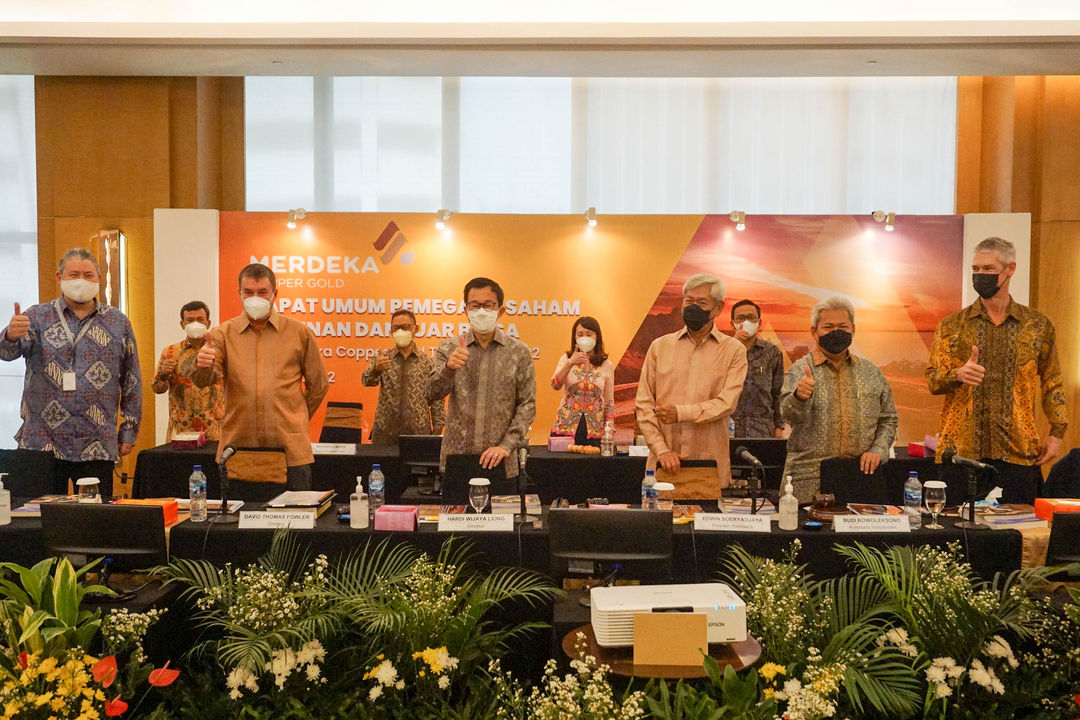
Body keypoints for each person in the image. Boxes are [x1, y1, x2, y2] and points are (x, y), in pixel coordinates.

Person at [925, 237, 1067, 504]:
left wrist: (1056, 432)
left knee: (1017, 536)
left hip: (1018, 450)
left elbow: (1052, 381)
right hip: (961, 453)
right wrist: (957, 375)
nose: (980, 275)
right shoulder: (952, 325)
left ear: (1009, 269)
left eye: (988, 269)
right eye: (975, 269)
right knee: (958, 537)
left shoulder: (1037, 325)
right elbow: (932, 380)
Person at [0, 247, 141, 495]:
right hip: (42, 441)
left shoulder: (118, 322)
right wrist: (10, 335)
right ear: (59, 278)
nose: (81, 281)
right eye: (74, 274)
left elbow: (131, 379)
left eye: (88, 275)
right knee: (38, 519)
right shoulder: (36, 316)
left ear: (99, 278)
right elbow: (6, 353)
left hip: (96, 441)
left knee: (92, 523)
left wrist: (128, 430)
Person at [193, 263, 329, 490]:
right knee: (236, 522)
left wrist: (297, 416)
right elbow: (202, 380)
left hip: (290, 451)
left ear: (275, 294)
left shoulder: (298, 332)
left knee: (292, 523)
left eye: (262, 292)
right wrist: (203, 365)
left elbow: (319, 385)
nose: (255, 298)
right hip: (238, 448)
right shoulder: (221, 334)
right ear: (239, 294)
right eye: (248, 292)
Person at [635, 273, 748, 498]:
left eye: (702, 303)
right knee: (660, 530)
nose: (693, 307)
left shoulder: (734, 351)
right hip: (664, 468)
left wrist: (680, 413)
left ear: (718, 309)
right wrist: (661, 449)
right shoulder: (660, 347)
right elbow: (644, 405)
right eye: (689, 301)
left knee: (708, 531)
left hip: (709, 468)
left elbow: (726, 404)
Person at [780, 296, 898, 502]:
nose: (836, 332)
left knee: (859, 535)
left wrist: (878, 450)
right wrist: (799, 396)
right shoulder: (801, 369)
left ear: (853, 329)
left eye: (842, 326)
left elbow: (889, 418)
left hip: (860, 476)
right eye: (828, 326)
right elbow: (788, 415)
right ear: (814, 332)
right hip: (808, 478)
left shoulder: (871, 372)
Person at [429, 277, 536, 477]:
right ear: (466, 310)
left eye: (488, 305)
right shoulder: (448, 348)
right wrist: (448, 368)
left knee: (502, 510)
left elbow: (527, 405)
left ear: (500, 311)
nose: (481, 311)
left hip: (501, 460)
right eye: (475, 305)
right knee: (455, 510)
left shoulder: (519, 352)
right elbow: (432, 393)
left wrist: (507, 445)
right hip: (457, 458)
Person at [362, 309, 445, 443]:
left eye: (405, 327)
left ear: (415, 329)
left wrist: (437, 430)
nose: (400, 331)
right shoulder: (383, 358)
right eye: (395, 328)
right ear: (391, 331)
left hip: (418, 434)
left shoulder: (428, 362)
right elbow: (366, 381)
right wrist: (376, 369)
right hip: (385, 434)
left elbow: (437, 398)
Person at [152, 300, 224, 441]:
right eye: (190, 320)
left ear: (208, 323)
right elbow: (157, 389)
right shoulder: (170, 352)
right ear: (182, 324)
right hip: (181, 433)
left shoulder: (219, 351)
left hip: (215, 431)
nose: (195, 324)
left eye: (200, 320)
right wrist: (162, 375)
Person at [549, 316, 615, 446]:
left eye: (589, 334)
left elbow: (609, 401)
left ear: (597, 337)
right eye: (580, 334)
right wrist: (570, 362)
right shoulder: (566, 359)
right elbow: (555, 384)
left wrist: (610, 430)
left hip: (595, 430)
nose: (584, 337)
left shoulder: (606, 365)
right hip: (566, 428)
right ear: (575, 338)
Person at [729, 299, 785, 438]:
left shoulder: (772, 352)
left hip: (763, 430)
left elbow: (777, 393)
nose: (746, 322)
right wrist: (732, 346)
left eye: (751, 317)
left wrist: (779, 427)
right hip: (729, 429)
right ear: (732, 324)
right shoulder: (722, 351)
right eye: (741, 318)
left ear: (759, 322)